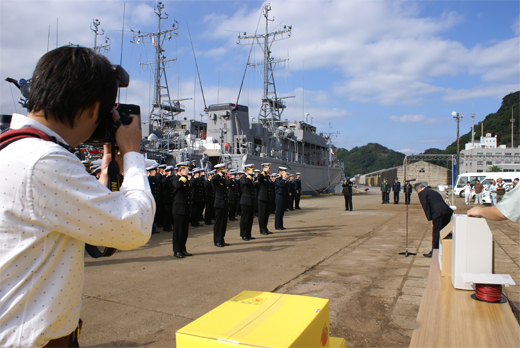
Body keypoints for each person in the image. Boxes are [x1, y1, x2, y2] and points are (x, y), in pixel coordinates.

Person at [0, 46, 155, 348]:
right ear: (91, 109)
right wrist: (133, 155)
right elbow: (134, 227)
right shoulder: (44, 161)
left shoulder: (11, 148)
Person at [415, 183, 453, 258]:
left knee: (436, 232)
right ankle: (444, 250)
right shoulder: (434, 192)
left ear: (418, 189)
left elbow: (425, 206)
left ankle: (434, 251)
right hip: (447, 211)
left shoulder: (422, 193)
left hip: (438, 213)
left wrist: (431, 218)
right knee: (444, 232)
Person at [171, 162, 193, 258]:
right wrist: (183, 179)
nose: (187, 171)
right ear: (180, 170)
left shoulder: (185, 180)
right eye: (186, 169)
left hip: (185, 208)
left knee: (184, 231)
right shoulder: (175, 178)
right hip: (178, 209)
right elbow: (177, 185)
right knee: (178, 231)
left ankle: (183, 249)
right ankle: (177, 250)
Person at [212, 164, 229, 247]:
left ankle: (221, 239)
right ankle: (217, 240)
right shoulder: (216, 179)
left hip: (224, 203)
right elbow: (213, 179)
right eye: (223, 169)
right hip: (219, 204)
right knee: (218, 223)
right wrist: (220, 173)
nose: (225, 170)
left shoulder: (222, 180)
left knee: (223, 223)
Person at [239, 164, 256, 241]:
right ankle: (243, 234)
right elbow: (244, 182)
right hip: (245, 201)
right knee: (244, 219)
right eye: (251, 170)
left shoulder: (250, 179)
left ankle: (248, 234)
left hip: (251, 201)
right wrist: (248, 177)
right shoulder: (243, 177)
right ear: (247, 170)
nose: (252, 171)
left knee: (250, 219)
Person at [257, 163, 272, 235]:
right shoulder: (262, 175)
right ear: (263, 168)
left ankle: (265, 228)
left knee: (266, 215)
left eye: (269, 168)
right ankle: (262, 229)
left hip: (267, 198)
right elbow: (259, 177)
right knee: (262, 215)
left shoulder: (267, 177)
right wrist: (264, 172)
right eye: (267, 168)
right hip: (262, 198)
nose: (269, 169)